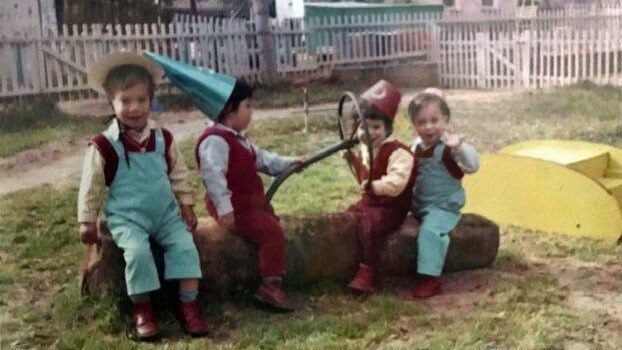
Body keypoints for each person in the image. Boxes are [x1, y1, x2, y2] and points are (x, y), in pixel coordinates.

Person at [77, 51, 207, 339]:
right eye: (125, 101)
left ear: (151, 100)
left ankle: (189, 305)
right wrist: (86, 220)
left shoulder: (163, 139)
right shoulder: (104, 145)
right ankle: (143, 308)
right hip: (127, 218)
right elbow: (92, 185)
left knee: (185, 246)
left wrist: (186, 203)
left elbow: (178, 173)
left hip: (164, 215)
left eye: (141, 100)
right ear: (111, 102)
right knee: (137, 253)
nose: (134, 108)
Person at [193, 78, 302, 311]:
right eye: (248, 106)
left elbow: (262, 159)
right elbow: (213, 177)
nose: (251, 112)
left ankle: (263, 269)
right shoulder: (215, 140)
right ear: (230, 109)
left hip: (249, 203)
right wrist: (225, 210)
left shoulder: (238, 138)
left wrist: (289, 163)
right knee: (272, 233)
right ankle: (269, 286)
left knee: (272, 225)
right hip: (233, 207)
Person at [406, 88, 480, 298]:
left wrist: (459, 148)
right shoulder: (415, 147)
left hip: (443, 206)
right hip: (418, 204)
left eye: (434, 120)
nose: (428, 127)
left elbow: (473, 165)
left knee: (430, 233)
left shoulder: (449, 147)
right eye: (421, 122)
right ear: (414, 125)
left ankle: (431, 279)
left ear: (445, 120)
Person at [345, 80, 416, 293]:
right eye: (363, 127)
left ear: (388, 128)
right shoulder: (366, 150)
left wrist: (375, 187)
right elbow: (363, 180)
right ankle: (349, 262)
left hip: (391, 206)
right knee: (348, 218)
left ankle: (368, 270)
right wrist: (352, 161)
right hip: (371, 201)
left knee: (370, 225)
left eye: (376, 127)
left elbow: (395, 184)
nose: (370, 133)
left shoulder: (399, 153)